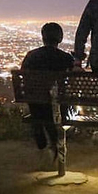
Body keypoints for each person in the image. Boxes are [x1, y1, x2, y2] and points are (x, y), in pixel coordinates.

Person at [21, 23, 74, 170]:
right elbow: (73, 82)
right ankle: (55, 146)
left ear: (43, 37)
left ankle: (43, 145)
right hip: (58, 108)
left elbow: (24, 80)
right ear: (60, 38)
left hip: (36, 106)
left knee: (40, 112)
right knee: (57, 109)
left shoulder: (31, 56)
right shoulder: (66, 58)